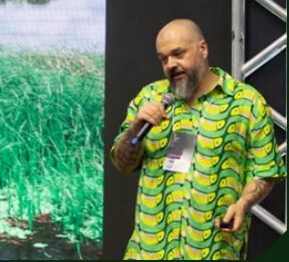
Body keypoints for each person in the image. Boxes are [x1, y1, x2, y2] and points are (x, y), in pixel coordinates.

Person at [111, 19, 286, 260]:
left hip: (213, 249)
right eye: (164, 59)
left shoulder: (246, 102)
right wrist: (136, 128)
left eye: (178, 54)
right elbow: (123, 163)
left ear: (202, 49)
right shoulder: (149, 98)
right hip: (149, 252)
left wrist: (243, 204)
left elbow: (266, 170)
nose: (171, 64)